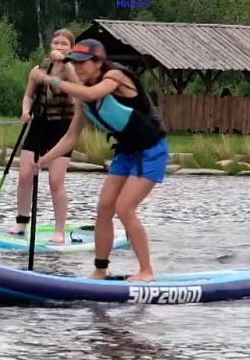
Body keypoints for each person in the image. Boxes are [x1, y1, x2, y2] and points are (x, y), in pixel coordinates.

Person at [31, 39, 168, 282]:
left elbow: (93, 92)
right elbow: (70, 137)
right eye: (76, 63)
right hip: (126, 153)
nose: (80, 68)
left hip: (151, 151)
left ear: (98, 62)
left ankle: (146, 271)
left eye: (84, 63)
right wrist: (43, 160)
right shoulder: (83, 99)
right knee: (104, 208)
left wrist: (50, 79)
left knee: (124, 209)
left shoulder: (114, 76)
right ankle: (100, 269)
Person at [7, 28, 79, 244]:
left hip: (62, 128)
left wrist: (65, 62)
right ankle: (22, 221)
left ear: (71, 49)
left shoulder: (70, 69)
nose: (58, 47)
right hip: (38, 125)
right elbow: (28, 96)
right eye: (55, 43)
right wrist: (25, 111)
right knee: (24, 175)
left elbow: (78, 89)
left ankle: (59, 231)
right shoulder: (37, 70)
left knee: (55, 181)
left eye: (63, 44)